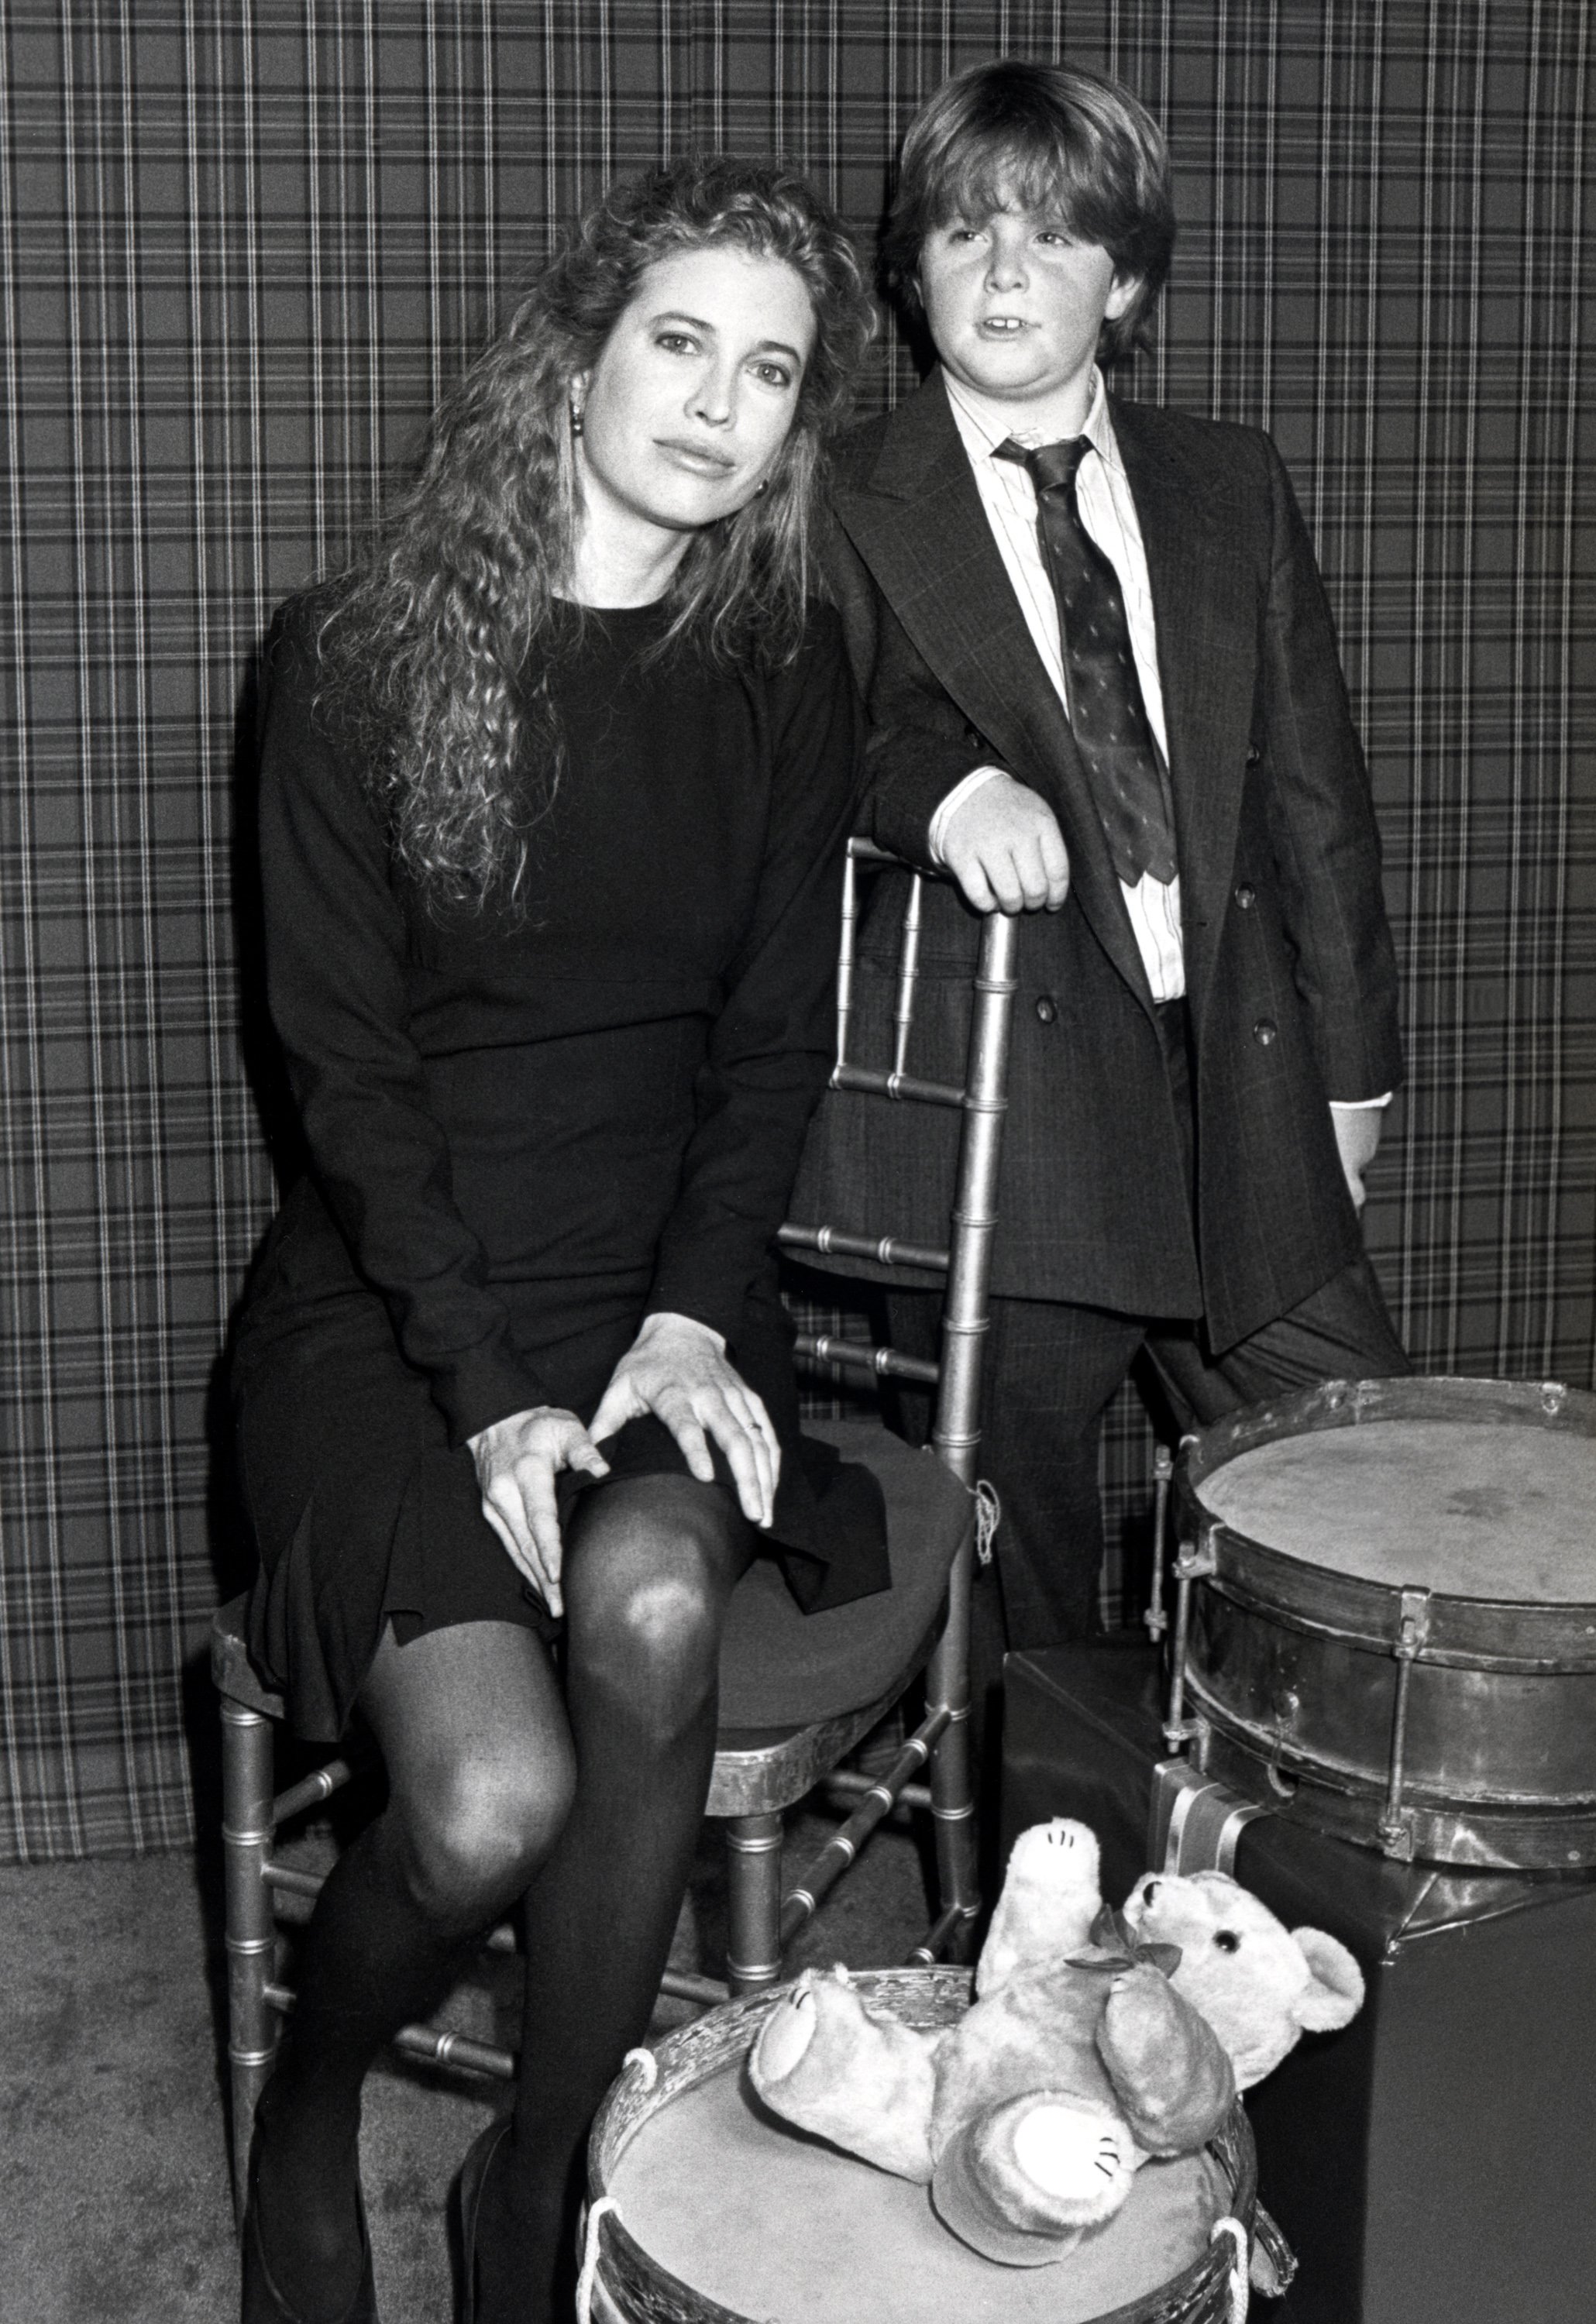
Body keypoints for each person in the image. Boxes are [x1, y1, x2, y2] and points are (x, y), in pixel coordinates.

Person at [231, 154, 875, 2324]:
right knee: (490, 1804)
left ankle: (530, 2192)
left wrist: (695, 1317)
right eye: (681, 341)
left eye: (768, 370)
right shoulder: (343, 662)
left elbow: (765, 1052)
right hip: (393, 1302)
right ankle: (304, 2105)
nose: (715, 403)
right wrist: (495, 1390)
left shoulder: (782, 672)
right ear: (581, 348)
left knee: (659, 1601)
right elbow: (343, 1082)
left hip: (661, 1277)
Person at [793, 60, 1409, 1703]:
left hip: (1240, 1090)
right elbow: (788, 751)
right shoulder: (835, 494)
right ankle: (1036, 1900)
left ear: (1122, 281)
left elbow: (1315, 805)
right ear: (909, 271)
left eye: (1054, 239)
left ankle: (1301, 1879)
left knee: (1369, 1510)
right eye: (965, 234)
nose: (1005, 274)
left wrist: (1353, 1079)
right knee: (1026, 1596)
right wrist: (935, 786)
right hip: (1021, 1122)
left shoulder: (1228, 483)